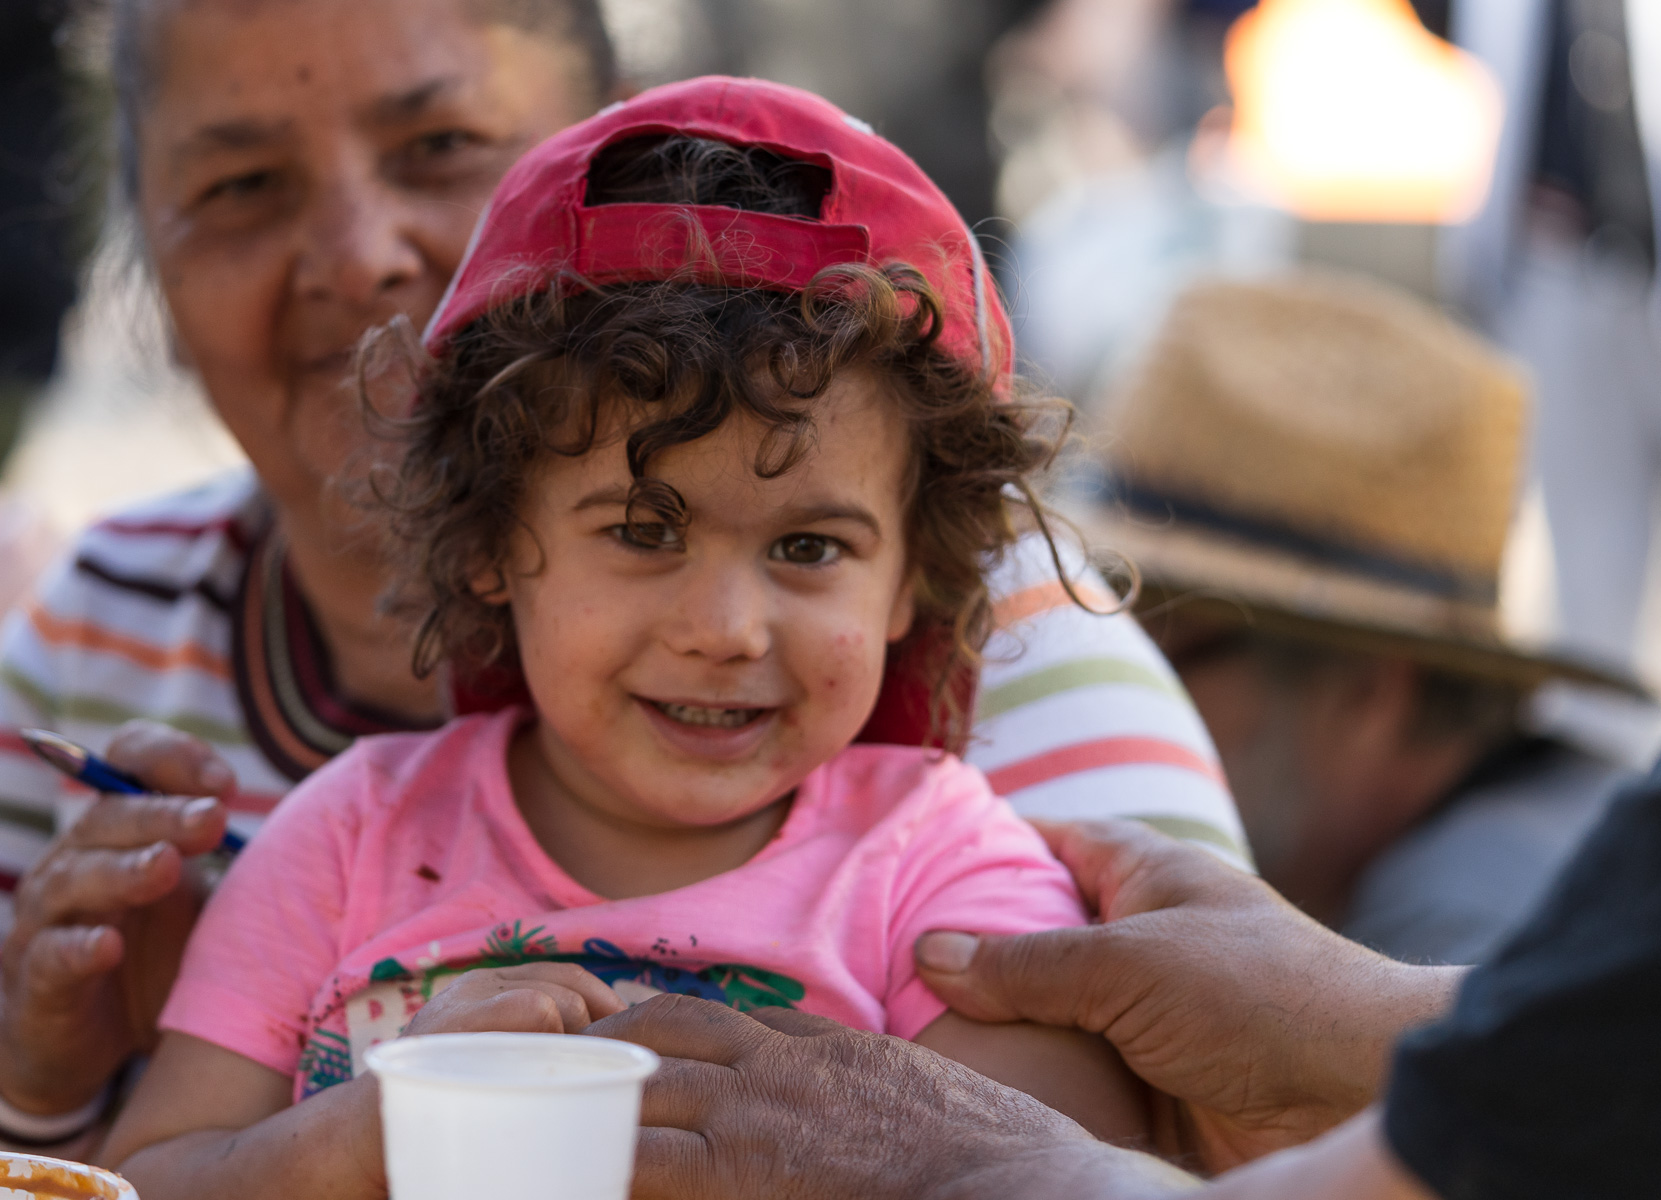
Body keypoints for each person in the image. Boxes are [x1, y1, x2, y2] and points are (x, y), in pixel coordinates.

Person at [0, 0, 1240, 1153]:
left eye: (809, 548)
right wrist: (379, 1130)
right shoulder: (346, 837)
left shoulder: (945, 875)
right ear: (487, 542)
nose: (724, 627)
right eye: (644, 531)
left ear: (921, 575)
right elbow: (156, 1175)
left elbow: (1062, 1177)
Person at [592, 482, 1661, 1198]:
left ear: (1370, 691)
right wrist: (1345, 1023)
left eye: (1174, 638)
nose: (1125, 674)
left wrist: (996, 1174)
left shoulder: (1471, 898)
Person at [1080, 273, 1640, 962]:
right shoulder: (1547, 845)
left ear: (1367, 692)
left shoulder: (1451, 935)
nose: (1093, 699)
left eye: (1149, 662)